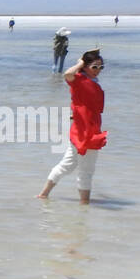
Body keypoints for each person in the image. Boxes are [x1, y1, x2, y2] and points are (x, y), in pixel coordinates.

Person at [36, 49, 107, 204]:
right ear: (85, 67)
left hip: (82, 129)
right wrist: (80, 62)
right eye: (94, 67)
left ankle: (43, 194)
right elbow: (67, 74)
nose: (98, 71)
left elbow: (81, 102)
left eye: (101, 67)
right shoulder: (80, 79)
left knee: (66, 165)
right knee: (86, 171)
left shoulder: (90, 82)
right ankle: (84, 206)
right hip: (86, 133)